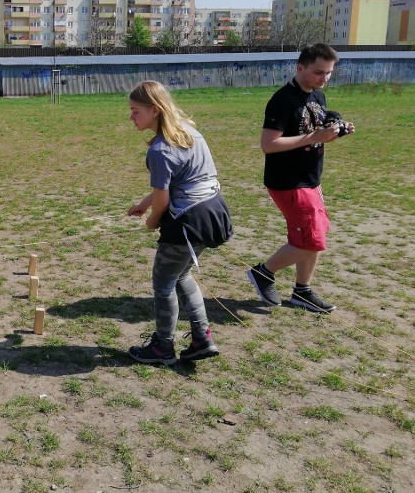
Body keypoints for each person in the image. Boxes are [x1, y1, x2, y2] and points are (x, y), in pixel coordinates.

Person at [126, 81, 232, 366]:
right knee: (181, 276)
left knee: (163, 283)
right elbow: (176, 184)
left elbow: (164, 201)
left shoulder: (160, 150)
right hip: (213, 213)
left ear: (155, 110)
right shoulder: (189, 131)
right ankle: (202, 338)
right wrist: (144, 204)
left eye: (136, 111)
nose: (131, 117)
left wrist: (152, 219)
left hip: (188, 221)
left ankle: (162, 347)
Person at [247, 43, 354, 313]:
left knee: (314, 234)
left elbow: (319, 125)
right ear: (300, 67)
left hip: (311, 179)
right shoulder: (283, 100)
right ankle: (263, 272)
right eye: (319, 72)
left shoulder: (317, 96)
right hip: (288, 181)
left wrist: (338, 128)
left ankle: (302, 291)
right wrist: (314, 137)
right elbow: (269, 144)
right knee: (312, 240)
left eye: (329, 73)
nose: (324, 78)